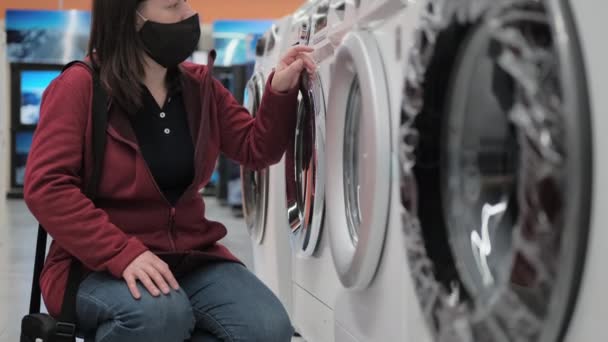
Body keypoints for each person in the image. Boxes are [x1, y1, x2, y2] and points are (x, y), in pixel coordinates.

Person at [23, 0, 315, 341]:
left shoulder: (199, 87)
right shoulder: (79, 87)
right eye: (173, 5)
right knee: (159, 316)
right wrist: (123, 253)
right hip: (93, 264)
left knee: (266, 326)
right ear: (129, 18)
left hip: (189, 257)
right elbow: (47, 187)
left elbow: (256, 149)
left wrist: (279, 90)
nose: (190, 14)